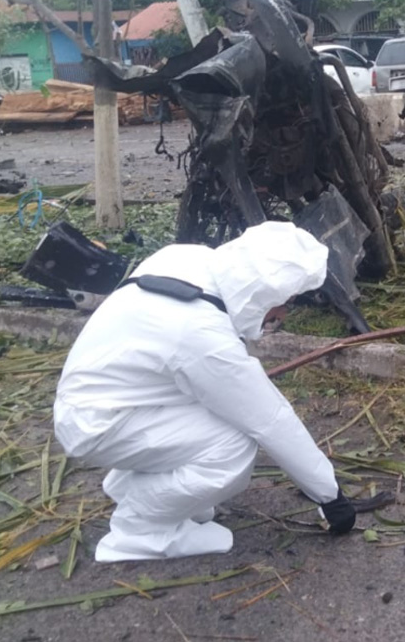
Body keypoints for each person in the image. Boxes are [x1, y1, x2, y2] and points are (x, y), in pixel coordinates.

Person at [53, 222, 356, 563]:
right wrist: (330, 496)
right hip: (98, 424)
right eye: (285, 302)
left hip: (105, 401)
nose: (284, 313)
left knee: (218, 417)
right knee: (232, 446)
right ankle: (140, 529)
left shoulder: (188, 258)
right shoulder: (200, 334)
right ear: (260, 293)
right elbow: (269, 419)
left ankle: (139, 492)